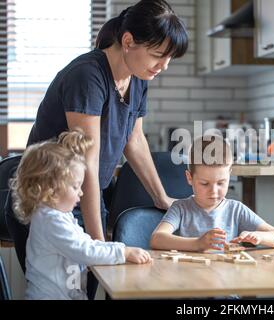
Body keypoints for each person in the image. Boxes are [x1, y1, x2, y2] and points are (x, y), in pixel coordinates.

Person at [26, 0, 189, 241]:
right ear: (128, 41)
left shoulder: (138, 78)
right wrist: (98, 242)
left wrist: (161, 197)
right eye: (158, 55)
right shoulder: (87, 76)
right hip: (50, 199)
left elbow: (134, 139)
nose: (163, 66)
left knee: (96, 275)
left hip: (85, 194)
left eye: (169, 58)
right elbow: (87, 162)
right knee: (63, 277)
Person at [10, 129, 152, 300]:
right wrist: (123, 252)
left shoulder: (61, 216)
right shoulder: (50, 220)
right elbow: (85, 250)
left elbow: (86, 244)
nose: (81, 193)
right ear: (51, 188)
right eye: (76, 186)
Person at [151, 136, 274, 252]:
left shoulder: (236, 210)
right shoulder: (180, 208)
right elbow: (157, 239)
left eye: (221, 183)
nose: (214, 191)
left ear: (229, 175)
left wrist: (259, 236)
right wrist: (198, 243)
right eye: (204, 183)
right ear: (189, 177)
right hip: (190, 276)